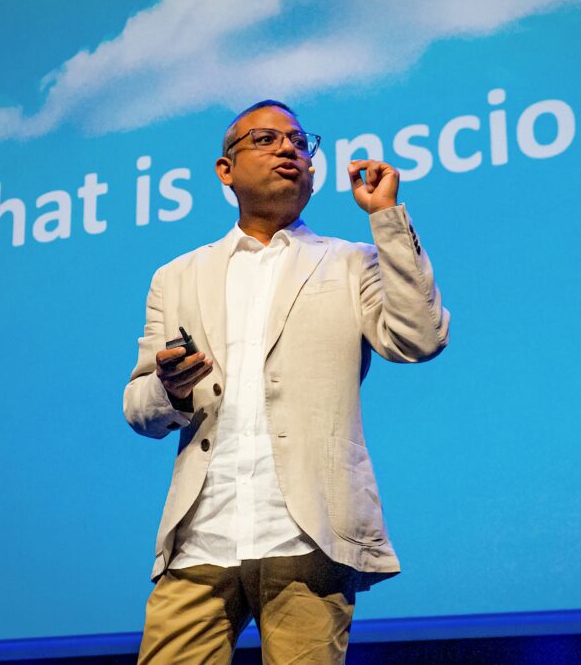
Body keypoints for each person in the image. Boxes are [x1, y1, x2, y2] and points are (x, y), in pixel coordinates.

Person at [123, 100, 449, 663]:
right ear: (226, 170)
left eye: (300, 142)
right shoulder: (176, 276)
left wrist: (386, 219)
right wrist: (170, 390)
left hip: (308, 534)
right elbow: (139, 408)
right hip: (200, 538)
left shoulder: (351, 261)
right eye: (267, 140)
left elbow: (419, 338)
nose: (289, 151)